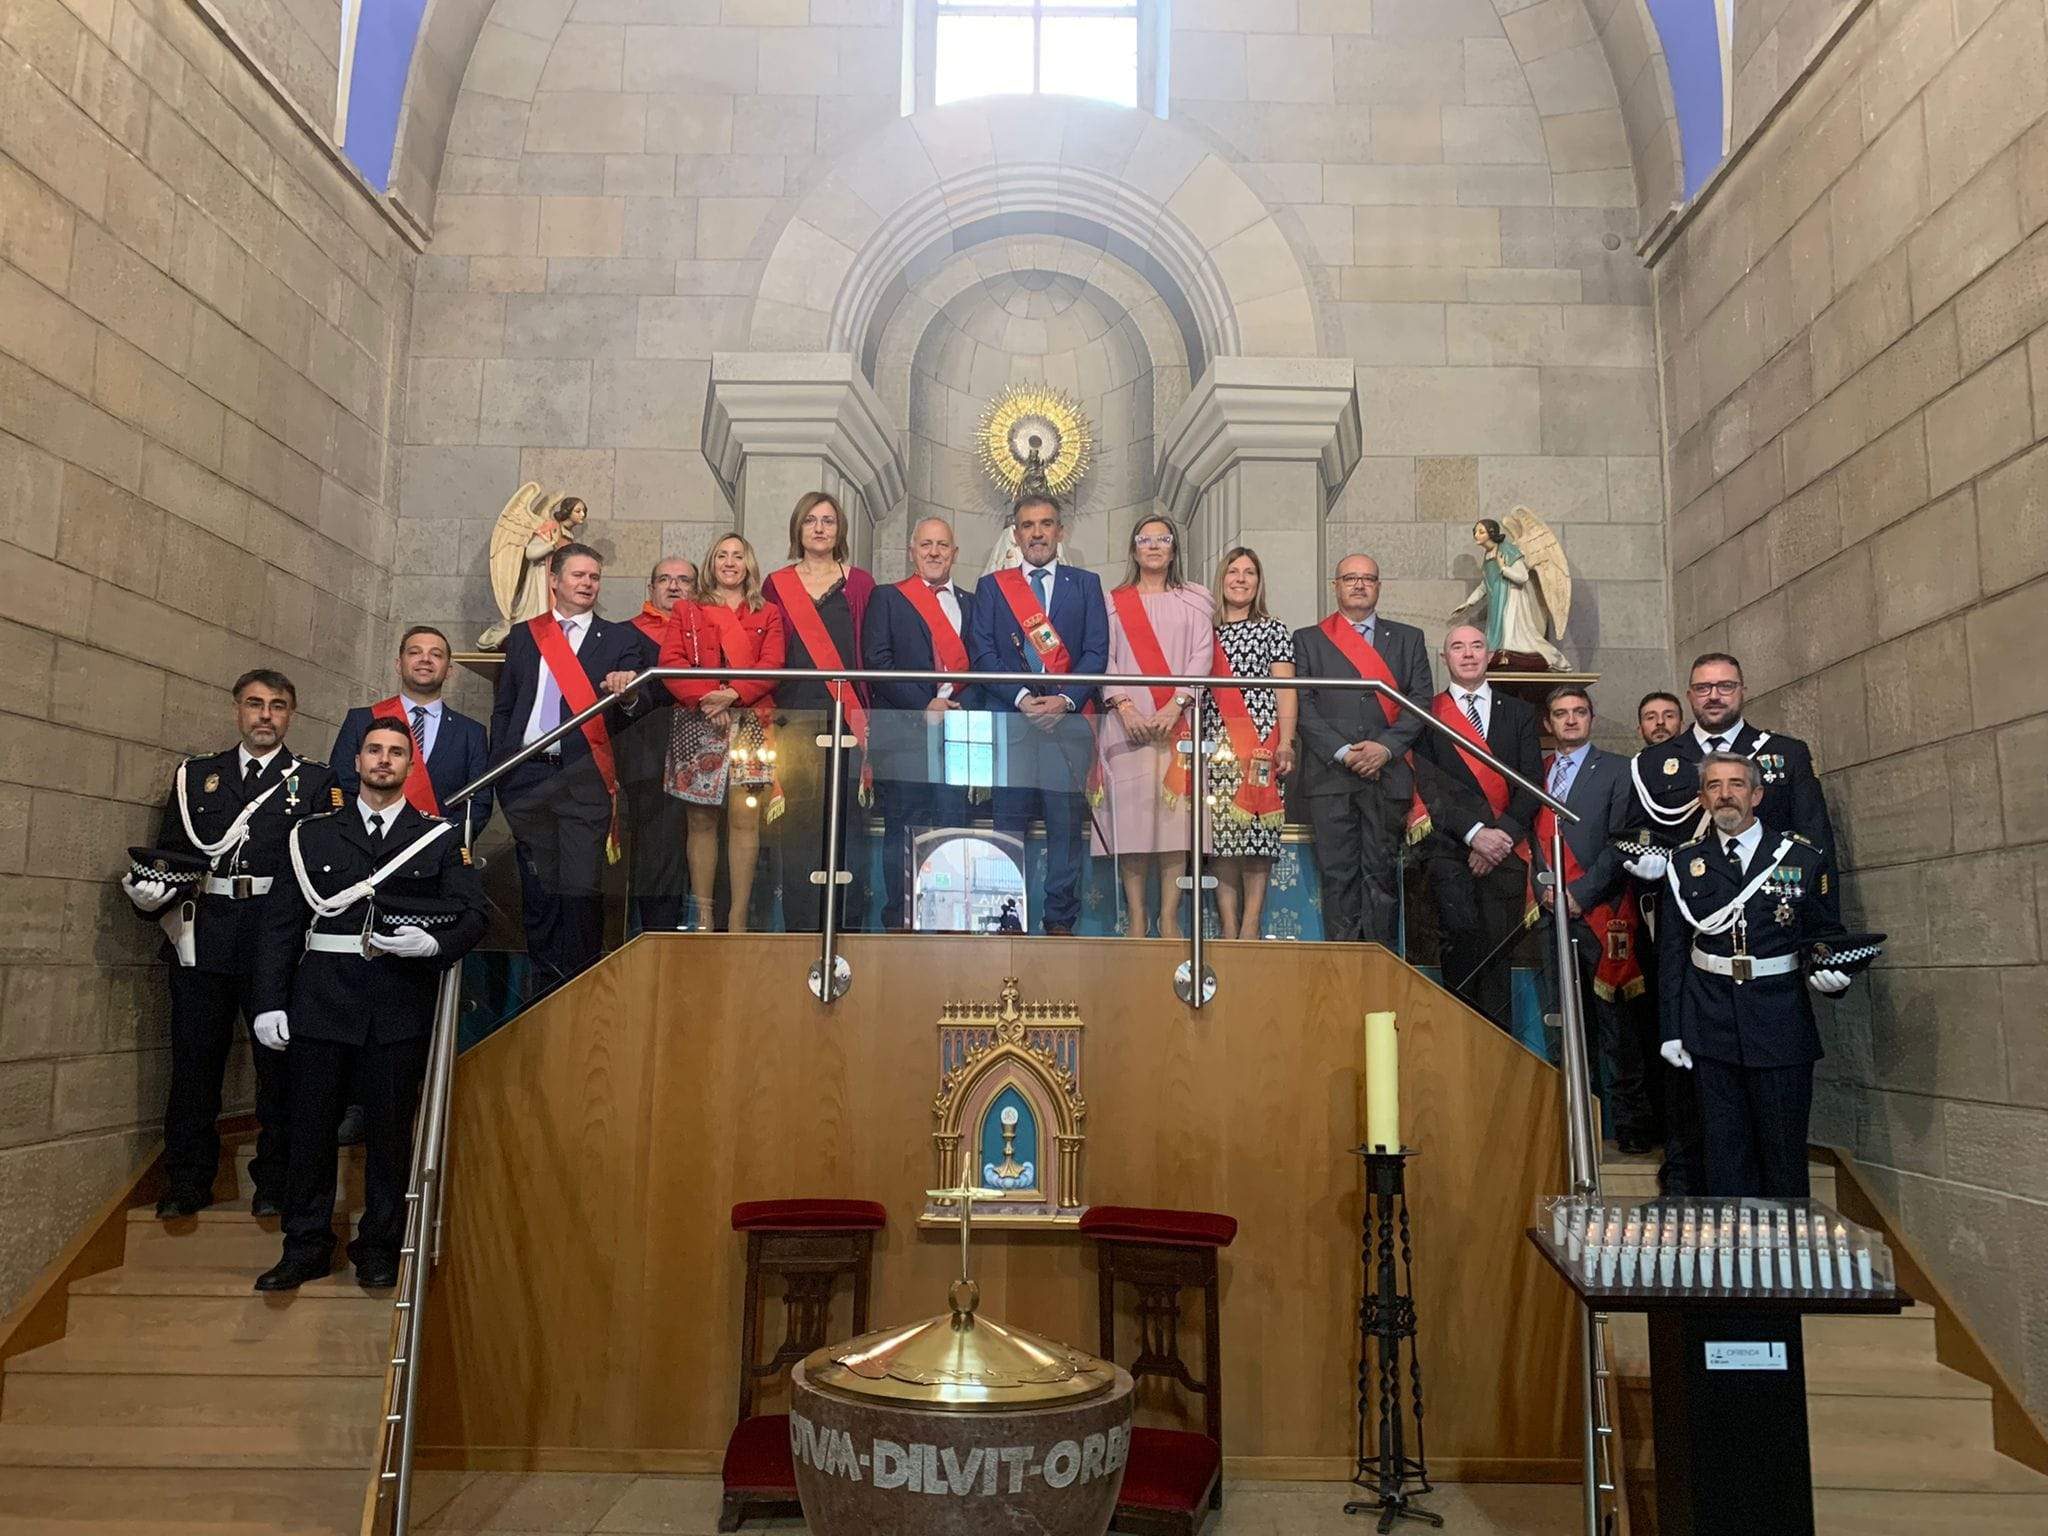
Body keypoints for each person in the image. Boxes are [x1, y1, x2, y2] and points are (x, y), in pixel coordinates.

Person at [249, 720, 487, 1291]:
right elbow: (281, 923)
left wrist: (435, 945)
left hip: (398, 1000)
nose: (384, 761)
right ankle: (304, 1245)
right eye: (375, 751)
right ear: (356, 762)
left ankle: (379, 1246)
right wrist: (268, 1002)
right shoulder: (312, 834)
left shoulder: (437, 835)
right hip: (321, 999)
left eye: (396, 753)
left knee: (388, 1136)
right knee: (309, 1132)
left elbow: (474, 912)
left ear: (411, 767)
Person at [119, 671, 340, 1219]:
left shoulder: (314, 782)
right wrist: (148, 900)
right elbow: (174, 855)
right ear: (237, 710)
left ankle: (275, 1182)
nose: (265, 715)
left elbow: (323, 867)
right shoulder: (197, 777)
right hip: (207, 931)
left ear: (291, 715)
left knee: (278, 1068)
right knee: (194, 1064)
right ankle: (187, 1180)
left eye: (278, 706)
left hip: (277, 936)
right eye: (255, 704)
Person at [1657, 753, 1849, 1197]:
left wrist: (1834, 975)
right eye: (1715, 786)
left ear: (1757, 795)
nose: (1726, 795)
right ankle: (1734, 1260)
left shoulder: (1800, 857)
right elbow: (1671, 954)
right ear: (1703, 798)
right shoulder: (1685, 864)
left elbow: (1824, 934)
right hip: (1710, 1025)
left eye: (1737, 785)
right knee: (1723, 1156)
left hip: (1779, 1021)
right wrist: (1671, 1028)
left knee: (1784, 1156)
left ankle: (1788, 1259)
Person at [487, 542, 654, 990]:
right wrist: (501, 770)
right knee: (537, 892)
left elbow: (639, 708)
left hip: (584, 778)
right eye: (578, 575)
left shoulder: (620, 639)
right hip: (526, 777)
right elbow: (504, 709)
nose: (587, 584)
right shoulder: (524, 636)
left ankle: (577, 986)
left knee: (581, 888)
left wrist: (630, 690)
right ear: (554, 580)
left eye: (594, 577)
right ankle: (543, 986)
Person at [967, 494, 1108, 936]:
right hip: (1013, 723)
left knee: (1066, 828)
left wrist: (1064, 699)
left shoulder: (1085, 584)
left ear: (1060, 532)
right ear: (1016, 533)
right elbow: (982, 652)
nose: (1038, 533)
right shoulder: (993, 587)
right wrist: (1023, 696)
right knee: (1008, 825)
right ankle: (1006, 918)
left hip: (1065, 726)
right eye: (1028, 525)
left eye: (1046, 524)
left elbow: (1095, 652)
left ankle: (1060, 922)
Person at [1528, 685, 1654, 1151]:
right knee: (1561, 1023)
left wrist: (1580, 892)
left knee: (1615, 1028)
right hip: (1549, 912)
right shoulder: (1535, 773)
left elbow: (1623, 839)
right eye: (1561, 713)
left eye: (1579, 712)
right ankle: (1574, 1125)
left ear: (1592, 718)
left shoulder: (1619, 770)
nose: (1571, 720)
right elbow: (1532, 839)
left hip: (1601, 911)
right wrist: (1545, 889)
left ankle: (1629, 1128)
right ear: (1548, 723)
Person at [1626, 654, 1837, 920]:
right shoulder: (1652, 762)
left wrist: (1826, 929)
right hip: (1688, 908)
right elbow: (1637, 835)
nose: (1714, 696)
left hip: (1771, 912)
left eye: (1725, 686)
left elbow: (1816, 841)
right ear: (1690, 696)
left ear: (1742, 692)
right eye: (1703, 688)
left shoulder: (1785, 753)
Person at [1292, 555, 1432, 946]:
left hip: (1386, 777)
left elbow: (1420, 702)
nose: (1359, 584)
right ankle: (1344, 972)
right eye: (1350, 578)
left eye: (1367, 578)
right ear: (1335, 585)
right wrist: (1343, 752)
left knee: (1382, 877)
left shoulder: (1408, 638)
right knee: (1337, 878)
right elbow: (1302, 705)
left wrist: (1385, 749)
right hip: (1330, 777)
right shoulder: (1308, 639)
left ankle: (1380, 972)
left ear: (1378, 587)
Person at [1410, 625, 1542, 1029]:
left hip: (1505, 849)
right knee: (1460, 943)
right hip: (1450, 851)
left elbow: (1531, 783)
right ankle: (1461, 1046)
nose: (1467, 654)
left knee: (1499, 954)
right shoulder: (1426, 714)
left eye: (1476, 646)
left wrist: (1499, 838)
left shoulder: (1517, 712)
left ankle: (1498, 1051)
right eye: (1457, 647)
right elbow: (1428, 785)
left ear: (1488, 656)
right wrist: (1474, 835)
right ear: (1445, 658)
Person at [763, 492, 876, 934]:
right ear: (798, 528)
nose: (820, 528)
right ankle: (801, 928)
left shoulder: (861, 583)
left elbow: (867, 650)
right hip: (796, 717)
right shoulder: (776, 583)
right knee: (800, 828)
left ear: (840, 530)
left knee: (849, 824)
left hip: (849, 717)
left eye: (828, 520)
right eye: (810, 520)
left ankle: (846, 928)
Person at [1098, 516, 1213, 940]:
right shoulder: (1113, 603)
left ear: (1174, 549)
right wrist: (1125, 706)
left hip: (1178, 724)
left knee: (1174, 823)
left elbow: (1202, 656)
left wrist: (1176, 704)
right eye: (1144, 539)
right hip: (1125, 725)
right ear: (1133, 549)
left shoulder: (1195, 601)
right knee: (1132, 822)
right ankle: (1136, 917)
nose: (1153, 546)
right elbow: (1104, 658)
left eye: (1162, 539)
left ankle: (1169, 917)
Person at [662, 534, 784, 932]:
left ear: (749, 564)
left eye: (737, 556)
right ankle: (704, 913)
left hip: (750, 721)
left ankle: (737, 917)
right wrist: (706, 700)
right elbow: (672, 662)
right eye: (721, 556)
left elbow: (773, 664)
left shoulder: (768, 613)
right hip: (698, 722)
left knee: (745, 821)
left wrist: (732, 695)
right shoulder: (689, 610)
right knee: (700, 821)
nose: (730, 563)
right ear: (711, 563)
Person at [864, 518, 977, 931]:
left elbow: (980, 665)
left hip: (959, 732)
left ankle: (950, 918)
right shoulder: (888, 598)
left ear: (955, 553)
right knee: (904, 825)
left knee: (953, 824)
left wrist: (956, 708)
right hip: (905, 733)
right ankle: (900, 917)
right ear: (911, 551)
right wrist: (924, 704)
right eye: (926, 544)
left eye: (942, 545)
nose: (934, 552)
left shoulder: (971, 601)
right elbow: (877, 662)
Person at [1204, 547, 1297, 939]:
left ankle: (1251, 923)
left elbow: (1286, 690)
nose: (1240, 579)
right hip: (1215, 744)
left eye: (1249, 573)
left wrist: (1287, 741)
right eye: (1233, 572)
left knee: (1257, 837)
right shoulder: (1203, 630)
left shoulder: (1273, 628)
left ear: (1259, 583)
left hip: (1261, 743)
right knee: (1221, 838)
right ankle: (1228, 925)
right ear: (1222, 578)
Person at [329, 626, 492, 840]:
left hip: (437, 854)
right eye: (415, 652)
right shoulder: (361, 720)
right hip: (366, 845)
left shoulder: (471, 733)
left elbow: (479, 803)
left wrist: (441, 844)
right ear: (399, 664)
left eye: (436, 654)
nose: (425, 659)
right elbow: (340, 784)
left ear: (449, 670)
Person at [624, 557, 697, 932]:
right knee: (656, 858)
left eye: (684, 580)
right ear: (650, 588)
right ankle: (654, 938)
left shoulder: (708, 631)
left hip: (706, 761)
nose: (673, 586)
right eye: (664, 579)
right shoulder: (625, 635)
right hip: (650, 763)